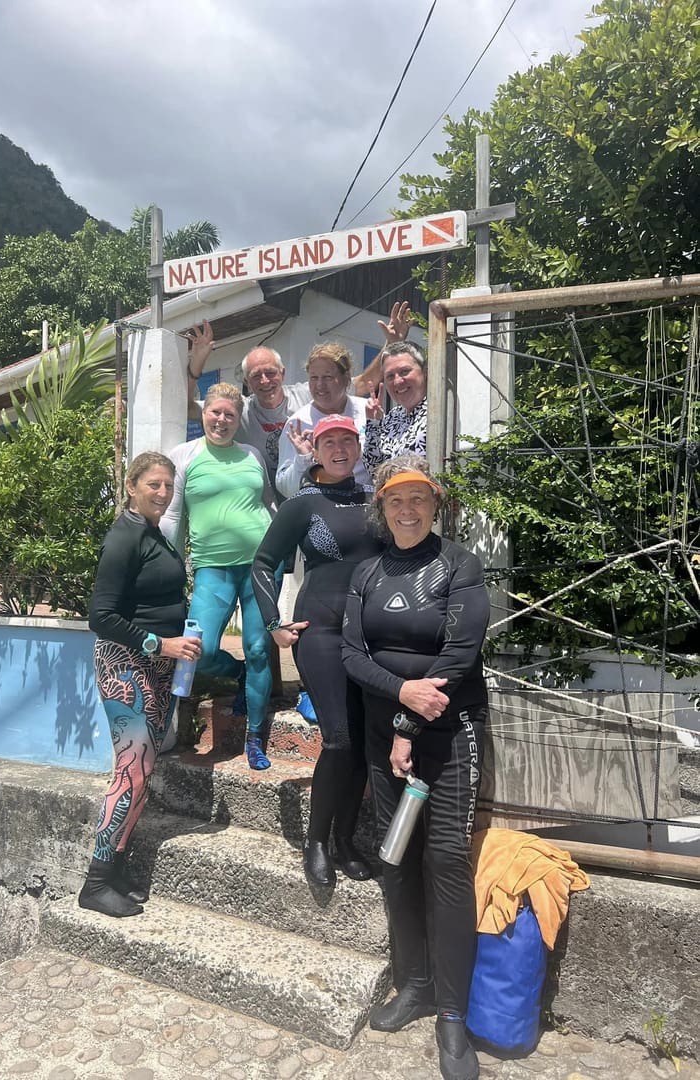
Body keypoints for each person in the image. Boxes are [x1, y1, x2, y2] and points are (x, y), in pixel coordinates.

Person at [341, 453, 490, 1080]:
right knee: (394, 859)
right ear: (383, 507)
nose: (408, 509)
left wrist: (412, 717)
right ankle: (416, 983)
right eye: (396, 500)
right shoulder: (368, 572)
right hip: (386, 735)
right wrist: (399, 701)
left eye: (419, 499)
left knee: (446, 865)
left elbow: (460, 651)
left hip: (450, 732)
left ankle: (453, 1017)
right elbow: (352, 652)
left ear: (435, 504)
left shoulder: (458, 564)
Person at [251, 415, 383, 886]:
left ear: (358, 446)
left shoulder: (374, 501)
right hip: (322, 634)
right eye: (331, 441)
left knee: (366, 744)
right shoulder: (302, 505)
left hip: (370, 637)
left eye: (348, 440)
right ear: (317, 450)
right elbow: (263, 564)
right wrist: (273, 625)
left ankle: (346, 839)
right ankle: (317, 842)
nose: (340, 448)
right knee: (339, 738)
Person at [81, 452, 203, 919]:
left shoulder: (154, 534)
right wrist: (161, 645)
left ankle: (114, 868)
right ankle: (94, 883)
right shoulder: (124, 536)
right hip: (126, 665)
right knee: (131, 771)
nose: (163, 493)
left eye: (169, 486)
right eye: (153, 484)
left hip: (154, 665)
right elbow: (101, 617)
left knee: (144, 770)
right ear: (131, 486)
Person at [162, 383, 276, 770]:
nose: (222, 420)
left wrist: (281, 549)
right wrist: (169, 566)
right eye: (216, 413)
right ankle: (238, 673)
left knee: (260, 648)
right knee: (200, 650)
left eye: (230, 414)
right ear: (204, 413)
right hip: (213, 568)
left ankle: (256, 737)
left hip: (261, 567)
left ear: (237, 418)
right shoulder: (185, 456)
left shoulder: (252, 454)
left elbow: (268, 504)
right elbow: (174, 516)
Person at [185, 302, 412, 494]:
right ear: (246, 381)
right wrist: (197, 363)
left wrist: (391, 346)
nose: (265, 381)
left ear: (282, 373)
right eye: (256, 376)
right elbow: (188, 410)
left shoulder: (308, 394)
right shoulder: (238, 411)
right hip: (285, 501)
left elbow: (363, 383)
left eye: (271, 373)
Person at [275, 342, 371, 497]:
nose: (320, 385)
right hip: (321, 509)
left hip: (365, 507)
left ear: (346, 378)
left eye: (328, 377)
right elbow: (287, 490)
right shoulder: (296, 424)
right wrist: (303, 459)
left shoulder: (369, 411)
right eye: (314, 378)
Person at [363, 340, 429, 476]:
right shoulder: (393, 416)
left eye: (405, 371)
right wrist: (373, 424)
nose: (398, 381)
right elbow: (373, 469)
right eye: (390, 376)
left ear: (425, 372)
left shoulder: (438, 410)